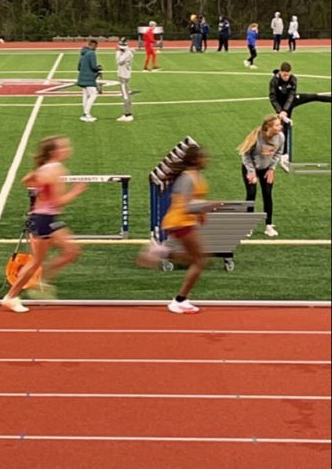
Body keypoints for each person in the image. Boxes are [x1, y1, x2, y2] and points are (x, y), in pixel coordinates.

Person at [1, 136, 87, 313]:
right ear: (54, 152)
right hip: (42, 219)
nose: (67, 149)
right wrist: (77, 191)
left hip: (48, 218)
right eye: (63, 147)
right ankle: (11, 297)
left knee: (72, 251)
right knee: (36, 261)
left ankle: (42, 281)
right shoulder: (53, 171)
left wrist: (39, 185)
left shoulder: (47, 168)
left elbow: (26, 180)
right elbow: (57, 202)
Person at [137, 144, 223, 314]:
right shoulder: (186, 178)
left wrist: (203, 213)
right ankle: (179, 300)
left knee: (191, 259)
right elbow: (185, 206)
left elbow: (195, 201)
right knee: (200, 261)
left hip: (184, 221)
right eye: (203, 157)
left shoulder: (196, 176)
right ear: (195, 160)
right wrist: (209, 206)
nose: (206, 160)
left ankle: (160, 252)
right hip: (179, 221)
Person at [269, 63, 332, 167]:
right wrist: (280, 111)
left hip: (290, 102)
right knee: (283, 127)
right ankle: (283, 154)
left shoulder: (293, 79)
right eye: (284, 75)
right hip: (280, 105)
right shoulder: (274, 81)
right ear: (280, 72)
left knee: (313, 96)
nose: (286, 77)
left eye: (288, 75)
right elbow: (273, 98)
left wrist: (285, 110)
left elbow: (291, 95)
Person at [238, 115, 284, 237]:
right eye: (277, 125)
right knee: (251, 194)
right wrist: (251, 172)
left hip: (266, 169)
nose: (281, 127)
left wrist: (272, 168)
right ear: (268, 127)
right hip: (251, 168)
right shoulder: (256, 137)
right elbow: (245, 155)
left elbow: (278, 153)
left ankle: (268, 225)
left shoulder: (281, 137)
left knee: (268, 194)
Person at [77, 38, 101, 122]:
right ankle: (86, 114)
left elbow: (79, 67)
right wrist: (98, 68)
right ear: (93, 45)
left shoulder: (83, 53)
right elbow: (93, 66)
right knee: (93, 94)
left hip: (82, 76)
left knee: (85, 95)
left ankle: (85, 113)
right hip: (89, 78)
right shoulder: (91, 53)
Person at [115, 38, 134, 122]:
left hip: (124, 75)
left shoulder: (126, 53)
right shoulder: (127, 52)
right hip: (124, 74)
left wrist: (118, 52)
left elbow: (119, 61)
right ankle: (127, 113)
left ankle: (128, 114)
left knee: (125, 95)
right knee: (125, 94)